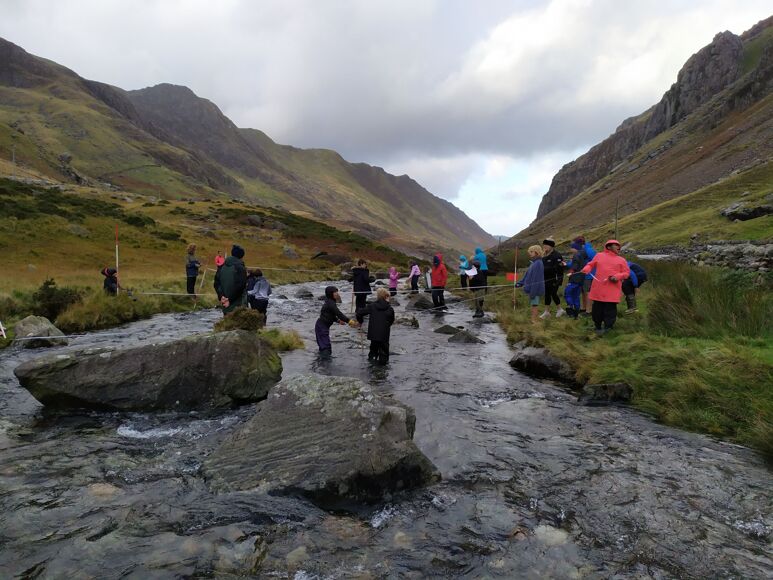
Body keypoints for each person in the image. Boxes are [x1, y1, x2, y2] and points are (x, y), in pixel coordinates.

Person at [581, 240, 630, 335]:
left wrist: (617, 276)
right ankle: (597, 326)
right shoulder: (599, 255)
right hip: (598, 289)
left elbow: (626, 273)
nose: (619, 247)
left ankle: (608, 328)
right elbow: (590, 264)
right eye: (616, 245)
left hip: (612, 290)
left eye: (619, 246)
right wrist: (586, 268)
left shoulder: (622, 260)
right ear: (608, 247)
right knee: (597, 309)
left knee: (610, 310)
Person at [356, 287, 395, 364]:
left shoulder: (372, 306)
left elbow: (359, 313)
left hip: (373, 334)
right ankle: (382, 369)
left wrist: (360, 322)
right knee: (384, 356)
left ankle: (372, 367)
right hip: (384, 335)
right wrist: (386, 326)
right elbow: (391, 320)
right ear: (386, 296)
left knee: (373, 353)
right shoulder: (390, 308)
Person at [316, 285, 357, 359]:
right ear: (330, 293)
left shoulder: (330, 302)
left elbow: (330, 314)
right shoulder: (330, 303)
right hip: (321, 327)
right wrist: (349, 321)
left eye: (337, 292)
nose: (337, 294)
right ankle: (324, 364)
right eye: (335, 292)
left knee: (324, 347)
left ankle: (323, 363)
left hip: (322, 327)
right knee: (326, 348)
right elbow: (338, 313)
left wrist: (338, 321)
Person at [214, 244, 247, 315]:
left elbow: (216, 284)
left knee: (226, 320)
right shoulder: (240, 268)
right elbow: (241, 286)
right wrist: (229, 299)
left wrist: (221, 296)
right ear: (241, 256)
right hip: (238, 305)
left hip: (225, 304)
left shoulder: (221, 267)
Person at [515, 246, 545, 324]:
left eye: (531, 252)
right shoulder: (533, 263)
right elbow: (527, 276)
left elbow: (536, 279)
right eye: (530, 252)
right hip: (532, 289)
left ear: (537, 252)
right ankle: (533, 320)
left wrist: (533, 292)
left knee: (534, 305)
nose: (530, 254)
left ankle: (534, 321)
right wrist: (520, 283)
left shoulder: (538, 263)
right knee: (533, 304)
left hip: (535, 289)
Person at [541, 238, 565, 318]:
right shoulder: (544, 255)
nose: (544, 247)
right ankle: (547, 311)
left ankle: (560, 309)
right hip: (546, 278)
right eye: (544, 245)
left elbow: (559, 268)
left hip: (555, 278)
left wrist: (559, 280)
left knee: (553, 293)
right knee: (547, 294)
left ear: (551, 246)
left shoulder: (557, 255)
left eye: (546, 245)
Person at [573, 236, 596, 316]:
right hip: (583, 274)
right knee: (583, 291)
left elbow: (596, 261)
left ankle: (589, 310)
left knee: (587, 292)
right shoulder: (581, 250)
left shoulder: (589, 250)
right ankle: (584, 308)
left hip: (590, 275)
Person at [563, 242, 585, 319]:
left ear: (575, 248)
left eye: (572, 248)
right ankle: (576, 313)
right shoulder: (582, 255)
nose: (570, 249)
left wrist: (571, 273)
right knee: (576, 296)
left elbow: (575, 266)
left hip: (574, 279)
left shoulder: (576, 255)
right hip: (581, 279)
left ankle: (570, 309)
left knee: (567, 293)